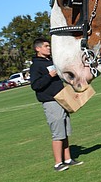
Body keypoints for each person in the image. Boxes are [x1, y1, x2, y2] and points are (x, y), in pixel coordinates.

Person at [30, 37, 83, 172]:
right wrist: (49, 75)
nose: (49, 48)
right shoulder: (35, 66)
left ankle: (68, 159)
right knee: (57, 133)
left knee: (65, 131)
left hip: (62, 98)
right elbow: (35, 85)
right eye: (46, 46)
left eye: (49, 46)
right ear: (38, 48)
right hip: (51, 101)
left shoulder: (51, 61)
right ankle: (58, 163)